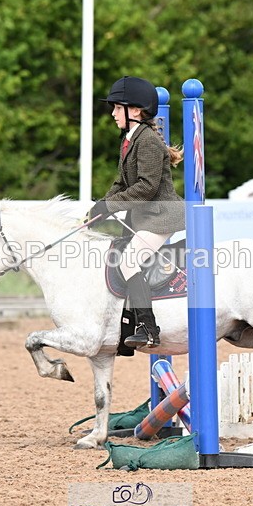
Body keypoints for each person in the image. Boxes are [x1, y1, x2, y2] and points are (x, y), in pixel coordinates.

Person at [88, 76, 185, 348]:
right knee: (119, 256)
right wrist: (101, 208)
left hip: (161, 217)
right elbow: (122, 182)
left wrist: (111, 206)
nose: (112, 113)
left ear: (135, 111)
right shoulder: (130, 139)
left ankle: (149, 328)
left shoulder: (149, 142)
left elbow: (146, 187)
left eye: (118, 108)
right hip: (145, 217)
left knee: (129, 261)